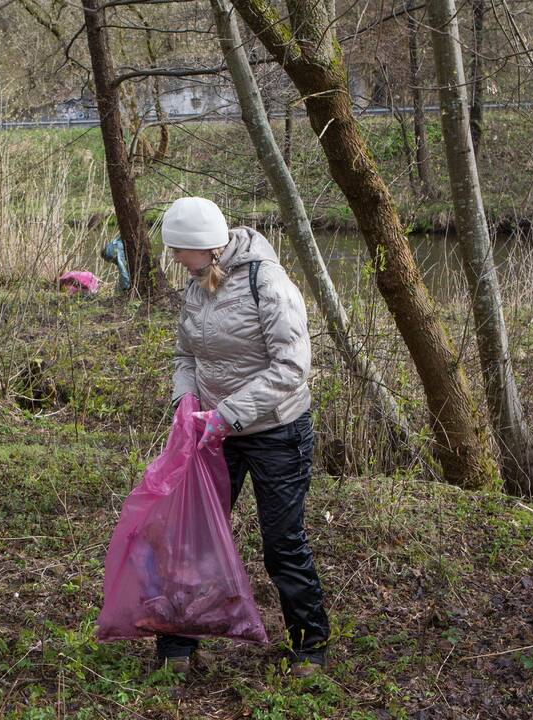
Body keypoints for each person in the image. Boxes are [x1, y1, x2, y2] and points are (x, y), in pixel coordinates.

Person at [160, 196, 330, 676]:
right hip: (216, 433)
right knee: (195, 535)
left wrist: (227, 414)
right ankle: (178, 646)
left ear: (206, 247)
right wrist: (186, 401)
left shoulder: (268, 283)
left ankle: (310, 646)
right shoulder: (196, 287)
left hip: (277, 433)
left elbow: (292, 367)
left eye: (179, 249)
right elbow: (185, 355)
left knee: (282, 542)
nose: (174, 258)